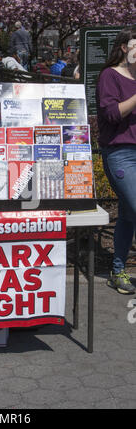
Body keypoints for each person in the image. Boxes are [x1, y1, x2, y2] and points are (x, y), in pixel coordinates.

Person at [96, 25, 136, 294]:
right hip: (121, 153)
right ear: (125, 48)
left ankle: (118, 270)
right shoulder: (109, 76)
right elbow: (111, 115)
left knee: (128, 215)